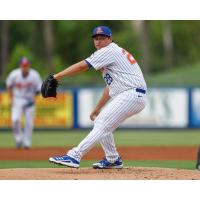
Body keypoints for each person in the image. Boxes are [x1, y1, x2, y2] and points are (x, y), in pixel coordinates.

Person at [49, 25, 147, 169]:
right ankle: (113, 159)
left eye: (102, 38)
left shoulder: (108, 51)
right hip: (132, 94)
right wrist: (97, 108)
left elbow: (82, 66)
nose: (98, 41)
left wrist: (56, 77)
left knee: (102, 123)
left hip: (131, 93)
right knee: (100, 121)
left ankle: (74, 156)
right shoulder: (113, 53)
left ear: (110, 39)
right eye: (96, 38)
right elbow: (110, 87)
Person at [6, 57, 42, 149]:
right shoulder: (14, 74)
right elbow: (9, 85)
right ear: (20, 66)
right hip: (17, 99)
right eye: (23, 65)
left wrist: (34, 97)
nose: (25, 67)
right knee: (15, 120)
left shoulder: (34, 75)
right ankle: (18, 139)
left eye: (26, 65)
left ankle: (27, 143)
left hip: (29, 100)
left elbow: (39, 88)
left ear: (28, 66)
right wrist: (11, 99)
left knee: (29, 123)